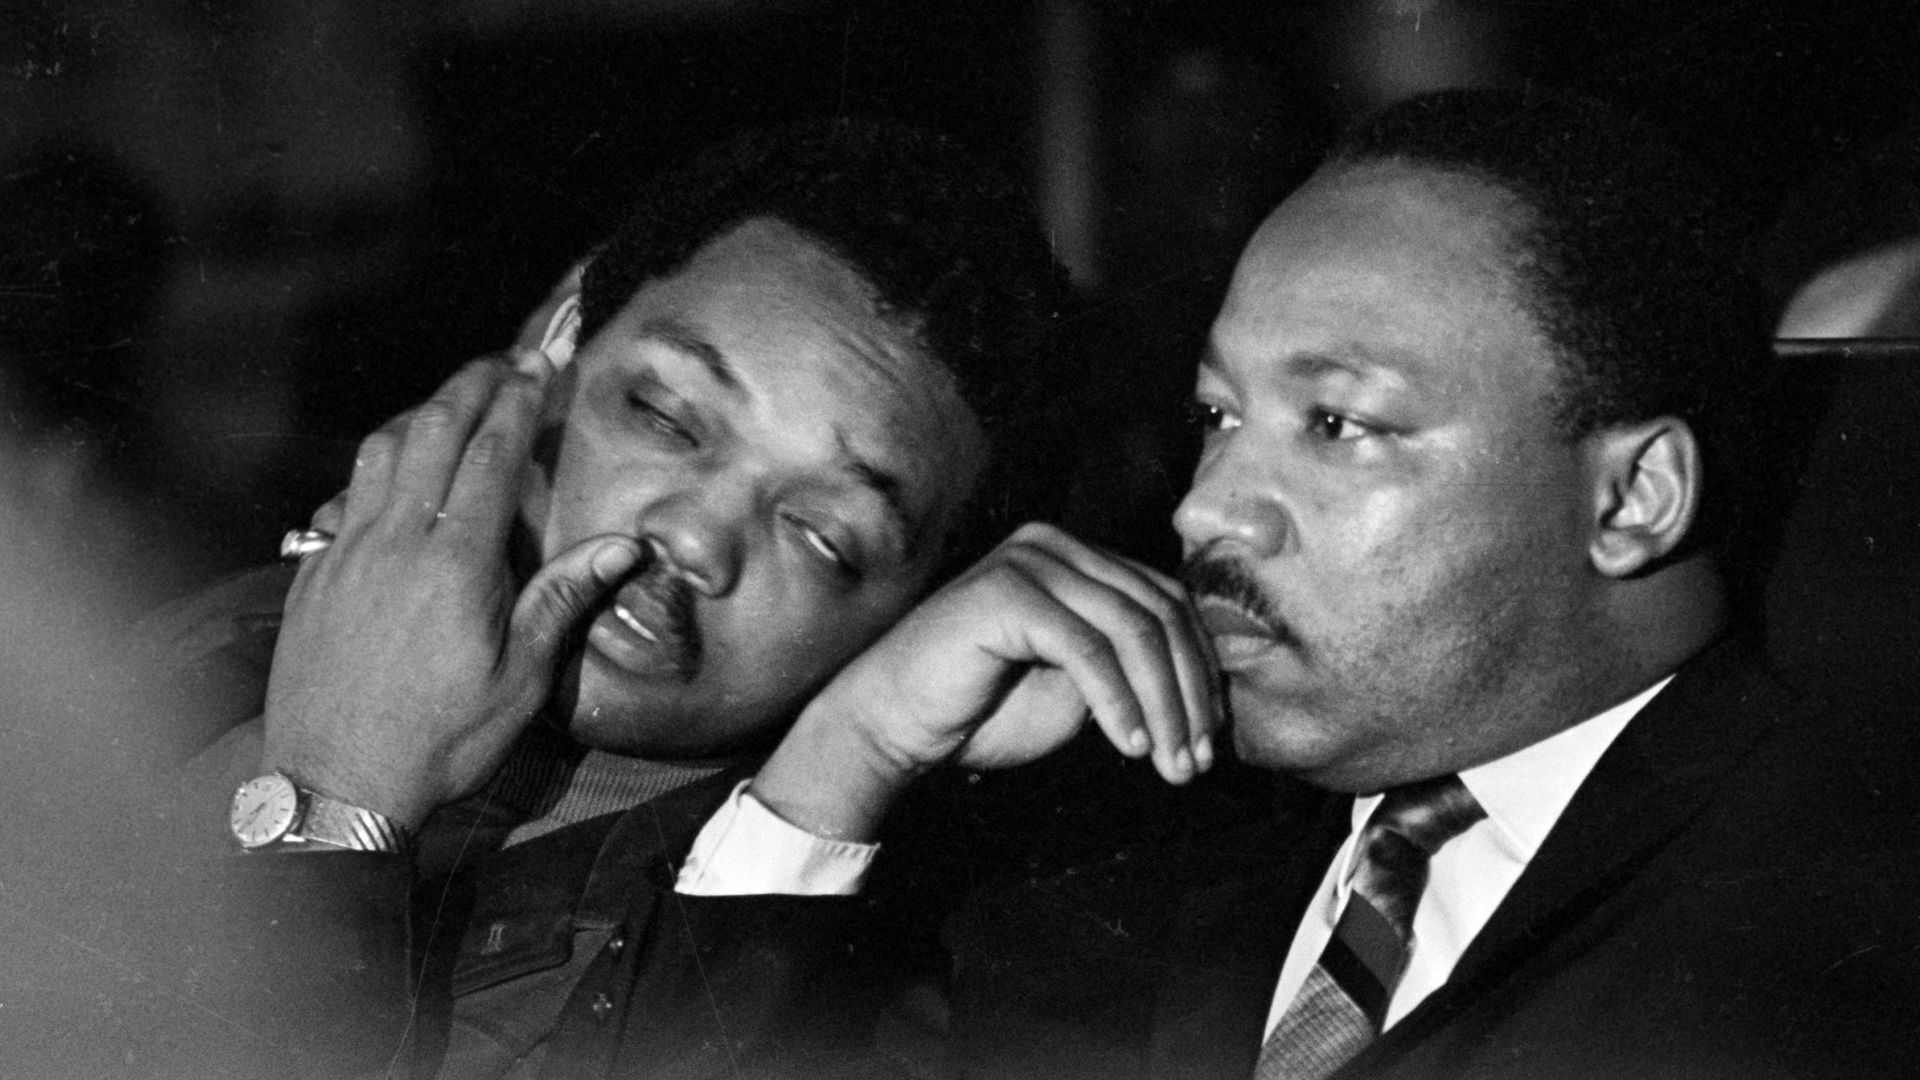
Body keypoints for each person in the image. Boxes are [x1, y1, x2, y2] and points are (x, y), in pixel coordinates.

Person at [735, 88, 1920, 1078]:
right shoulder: (1131, 868)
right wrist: (853, 752)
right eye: (1218, 414)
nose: (1204, 507)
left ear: (1630, 499)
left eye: (1339, 423)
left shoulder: (1846, 923)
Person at [142, 118, 1159, 1079]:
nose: (695, 536)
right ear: (563, 336)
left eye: (822, 537)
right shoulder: (214, 630)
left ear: (922, 613)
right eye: (667, 419)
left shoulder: (834, 981)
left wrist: (334, 806)